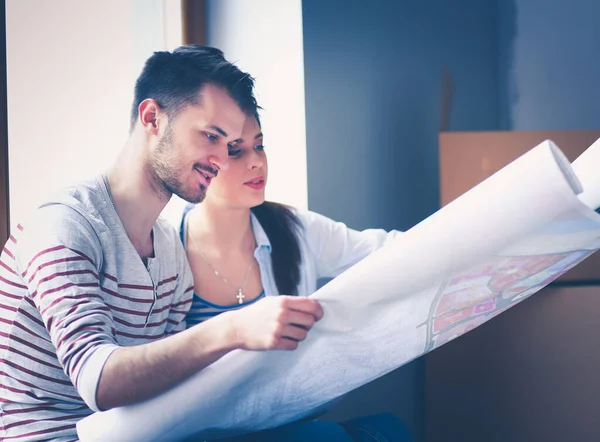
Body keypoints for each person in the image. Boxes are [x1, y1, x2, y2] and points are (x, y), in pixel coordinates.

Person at [0, 45, 323, 441]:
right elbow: (96, 379)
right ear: (152, 118)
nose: (222, 160)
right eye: (211, 136)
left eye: (231, 145)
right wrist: (233, 328)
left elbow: (164, 387)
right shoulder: (64, 225)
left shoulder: (169, 250)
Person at [180, 114, 414, 441]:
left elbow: (388, 252)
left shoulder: (293, 228)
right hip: (203, 433)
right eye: (236, 151)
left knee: (389, 430)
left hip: (286, 422)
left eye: (259, 146)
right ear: (203, 161)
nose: (257, 162)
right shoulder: (167, 249)